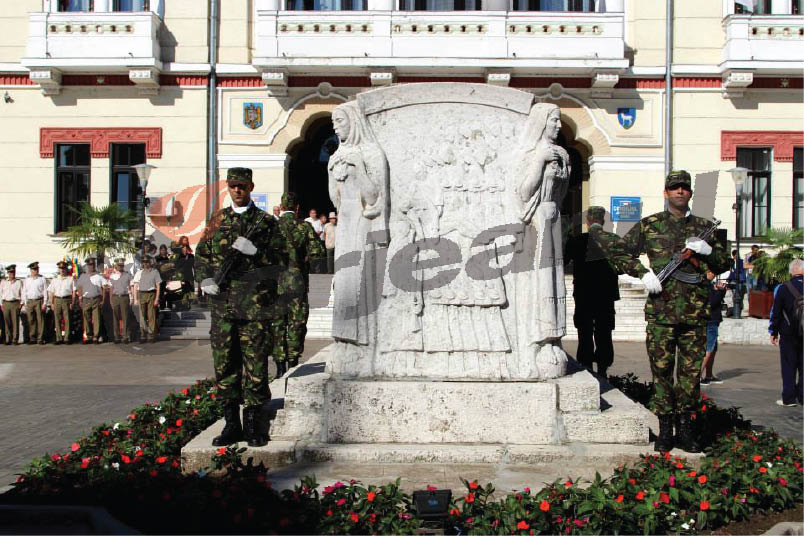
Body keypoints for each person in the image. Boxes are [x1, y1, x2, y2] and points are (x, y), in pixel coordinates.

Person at [608, 170, 729, 453]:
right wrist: (643, 273)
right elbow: (618, 252)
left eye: (684, 188)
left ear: (690, 193)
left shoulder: (704, 226)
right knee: (661, 373)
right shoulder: (650, 225)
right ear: (666, 193)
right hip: (661, 314)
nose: (680, 192)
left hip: (695, 314)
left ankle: (686, 430)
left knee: (689, 377)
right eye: (674, 188)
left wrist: (708, 251)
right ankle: (665, 431)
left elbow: (724, 262)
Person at [195, 167, 287, 447]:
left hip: (254, 308)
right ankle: (231, 424)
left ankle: (254, 424)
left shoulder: (266, 223)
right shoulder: (217, 220)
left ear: (250, 187)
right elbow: (202, 254)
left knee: (255, 366)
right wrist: (204, 278)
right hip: (223, 307)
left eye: (242, 186)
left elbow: (282, 262)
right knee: (225, 365)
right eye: (233, 185)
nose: (237, 190)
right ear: (228, 187)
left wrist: (256, 253)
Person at [272, 192, 325, 378]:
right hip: (297, 282)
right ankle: (293, 362)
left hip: (275, 283)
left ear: (281, 206)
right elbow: (318, 252)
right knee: (297, 322)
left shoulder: (272, 227)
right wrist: (304, 259)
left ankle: (279, 365)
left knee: (277, 323)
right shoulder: (304, 227)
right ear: (296, 209)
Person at [564, 206, 620, 378]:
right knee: (604, 333)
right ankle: (603, 369)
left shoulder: (577, 240)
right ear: (603, 221)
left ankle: (587, 368)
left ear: (587, 222)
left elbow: (564, 261)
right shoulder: (613, 239)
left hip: (584, 294)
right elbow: (624, 264)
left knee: (584, 333)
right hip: (605, 295)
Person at [769, 258, 803, 407]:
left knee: (788, 365)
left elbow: (776, 312)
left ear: (791, 271)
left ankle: (789, 398)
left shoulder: (783, 288)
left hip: (788, 332)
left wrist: (774, 331)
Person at [701, 270, 727, 385]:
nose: (713, 274)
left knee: (713, 349)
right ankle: (698, 377)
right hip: (710, 320)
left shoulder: (709, 285)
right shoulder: (704, 285)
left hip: (713, 320)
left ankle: (709, 375)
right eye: (711, 272)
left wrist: (719, 291)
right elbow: (712, 302)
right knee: (708, 349)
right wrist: (720, 292)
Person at [76, 258, 105, 344]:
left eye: (92, 265)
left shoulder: (99, 276)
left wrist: (103, 300)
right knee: (86, 319)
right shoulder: (83, 276)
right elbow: (79, 287)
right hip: (86, 299)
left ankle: (96, 336)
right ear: (87, 266)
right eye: (89, 265)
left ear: (94, 265)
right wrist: (80, 299)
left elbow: (104, 287)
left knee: (96, 319)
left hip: (96, 299)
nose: (91, 266)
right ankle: (88, 336)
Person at [48, 261, 76, 345]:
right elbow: (51, 292)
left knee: (67, 319)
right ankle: (58, 338)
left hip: (67, 300)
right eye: (60, 268)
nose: (62, 270)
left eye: (63, 268)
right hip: (57, 300)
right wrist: (51, 303)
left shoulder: (70, 279)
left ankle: (67, 338)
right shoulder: (55, 280)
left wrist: (72, 302)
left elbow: (74, 292)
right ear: (58, 269)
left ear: (66, 269)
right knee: (57, 319)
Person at [106, 258, 133, 344]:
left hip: (124, 297)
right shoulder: (112, 276)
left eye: (122, 265)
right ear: (116, 266)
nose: (120, 267)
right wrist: (110, 300)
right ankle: (117, 336)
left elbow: (131, 287)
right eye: (119, 265)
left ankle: (125, 336)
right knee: (115, 317)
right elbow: (111, 288)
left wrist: (132, 298)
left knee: (125, 317)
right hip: (115, 297)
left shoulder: (128, 275)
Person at [134, 256, 161, 343]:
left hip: (151, 294)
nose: (145, 264)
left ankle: (151, 334)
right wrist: (135, 298)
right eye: (144, 262)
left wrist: (157, 298)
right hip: (141, 294)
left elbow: (158, 286)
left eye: (147, 262)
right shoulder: (139, 273)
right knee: (142, 315)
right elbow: (135, 286)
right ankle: (143, 333)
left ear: (150, 263)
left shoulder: (155, 272)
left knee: (151, 314)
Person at [22, 262, 48, 345]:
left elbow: (45, 291)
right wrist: (25, 303)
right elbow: (24, 291)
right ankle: (32, 338)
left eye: (36, 269)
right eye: (33, 269)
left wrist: (45, 303)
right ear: (30, 270)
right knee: (31, 320)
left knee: (40, 320)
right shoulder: (27, 280)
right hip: (30, 301)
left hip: (39, 301)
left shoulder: (42, 279)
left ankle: (40, 338)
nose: (35, 271)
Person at [0, 265, 23, 345]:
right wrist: (1, 304)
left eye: (13, 272)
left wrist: (21, 303)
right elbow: (0, 293)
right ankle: (8, 338)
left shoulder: (19, 282)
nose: (12, 274)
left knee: (15, 322)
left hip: (15, 303)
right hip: (6, 303)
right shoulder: (3, 282)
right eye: (10, 272)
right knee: (7, 322)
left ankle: (15, 339)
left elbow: (22, 293)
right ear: (8, 273)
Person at [174, 244, 195, 310]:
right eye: (183, 248)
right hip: (181, 277)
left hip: (189, 276)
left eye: (186, 248)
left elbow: (192, 264)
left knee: (190, 292)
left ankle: (188, 304)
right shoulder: (178, 256)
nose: (184, 249)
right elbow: (177, 266)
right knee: (181, 292)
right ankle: (181, 305)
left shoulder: (191, 256)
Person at [726, 249, 746, 318]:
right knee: (733, 296)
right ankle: (733, 311)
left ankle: (738, 311)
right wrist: (728, 280)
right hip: (733, 280)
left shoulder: (740, 262)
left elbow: (741, 270)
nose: (738, 256)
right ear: (734, 255)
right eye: (736, 255)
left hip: (739, 280)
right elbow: (732, 272)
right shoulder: (731, 262)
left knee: (739, 296)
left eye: (738, 254)